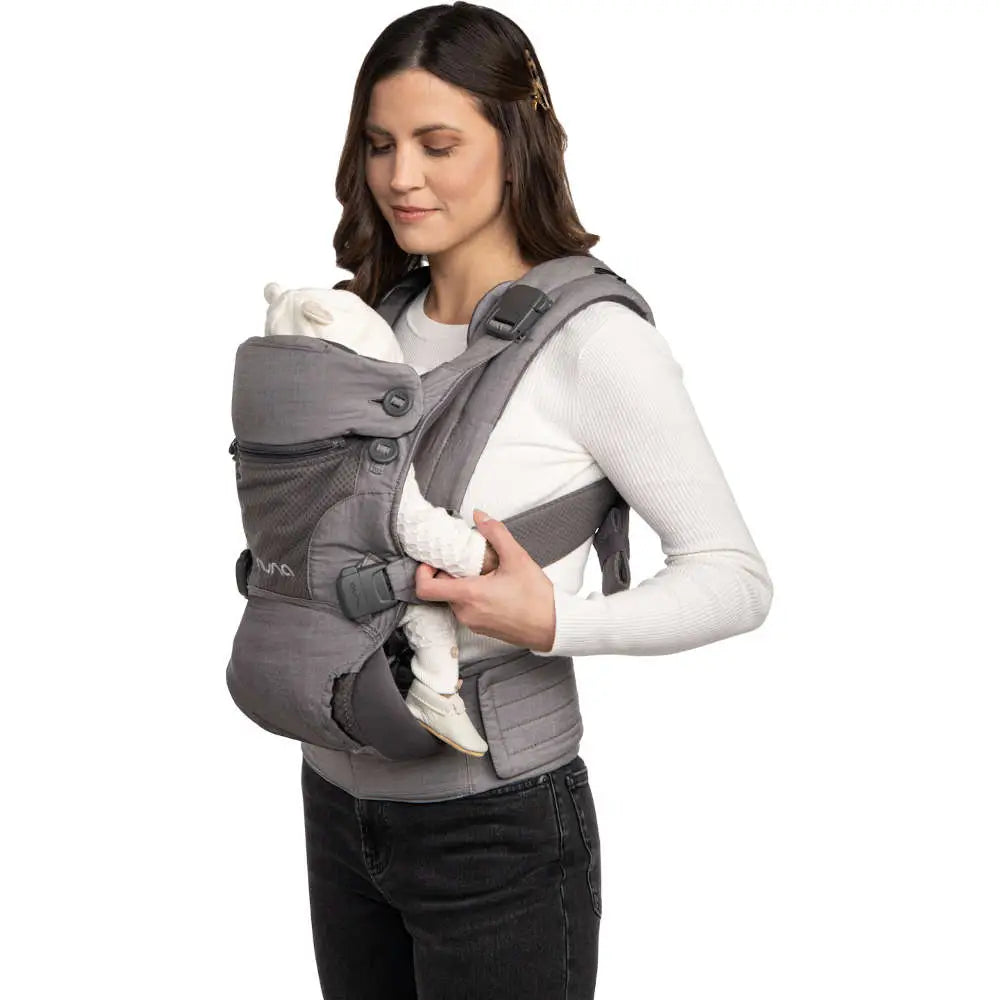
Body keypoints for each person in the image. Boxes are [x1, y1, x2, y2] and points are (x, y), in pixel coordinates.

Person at [298, 4, 773, 998]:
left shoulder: (594, 343)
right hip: (336, 796)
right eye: (380, 144)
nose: (400, 176)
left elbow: (734, 579)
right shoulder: (368, 324)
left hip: (497, 822)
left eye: (438, 145)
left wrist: (555, 620)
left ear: (514, 148)